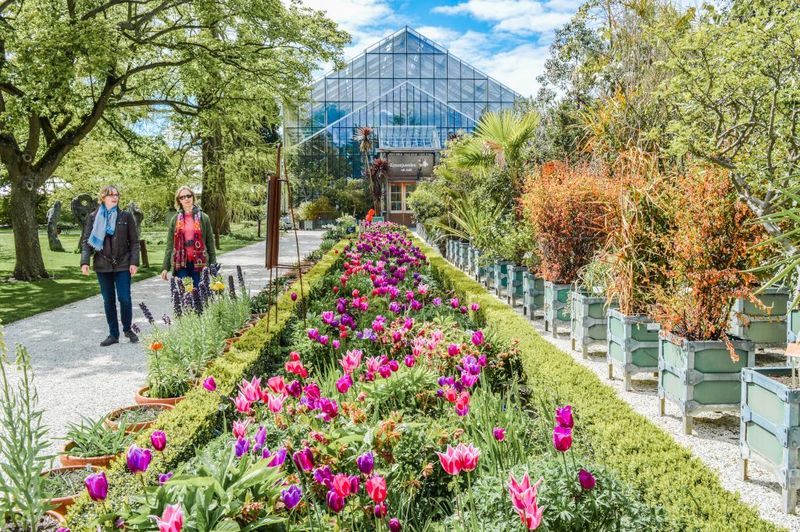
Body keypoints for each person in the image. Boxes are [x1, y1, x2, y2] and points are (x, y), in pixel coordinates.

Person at [80, 185, 140, 346]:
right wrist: (85, 261)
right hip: (102, 264)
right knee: (109, 300)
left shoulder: (125, 216)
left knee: (124, 298)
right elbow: (87, 241)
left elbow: (134, 242)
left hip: (123, 264)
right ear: (103, 197)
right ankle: (113, 334)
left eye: (117, 195)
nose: (115, 197)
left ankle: (127, 329)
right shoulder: (93, 217)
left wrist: (134, 262)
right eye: (111, 195)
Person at [160, 186, 216, 288]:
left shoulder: (204, 218)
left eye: (188, 196)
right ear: (179, 201)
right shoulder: (175, 220)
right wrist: (165, 267)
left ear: (193, 197)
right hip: (181, 263)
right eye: (182, 197)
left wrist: (213, 266)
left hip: (199, 263)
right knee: (185, 293)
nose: (186, 199)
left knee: (199, 292)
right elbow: (170, 245)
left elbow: (210, 243)